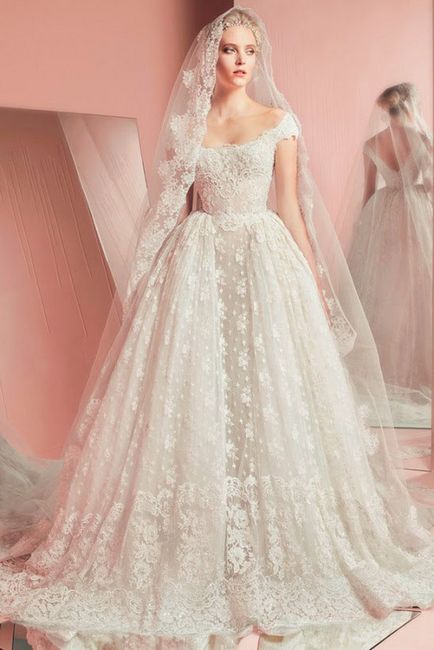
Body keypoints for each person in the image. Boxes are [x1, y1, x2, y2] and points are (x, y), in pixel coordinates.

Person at [0, 6, 433, 650]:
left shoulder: (280, 123)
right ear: (211, 55)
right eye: (230, 49)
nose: (240, 61)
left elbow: (291, 211)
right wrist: (145, 282)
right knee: (198, 392)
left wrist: (316, 289)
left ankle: (272, 526)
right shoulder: (187, 126)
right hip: (196, 263)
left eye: (250, 51)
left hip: (265, 261)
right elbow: (169, 210)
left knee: (268, 389)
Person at [340, 83, 432, 428]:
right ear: (411, 106)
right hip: (417, 213)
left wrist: (364, 228)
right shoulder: (422, 140)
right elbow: (431, 185)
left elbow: (368, 192)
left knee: (385, 290)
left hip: (383, 214)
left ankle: (384, 370)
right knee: (418, 290)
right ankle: (416, 372)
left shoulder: (372, 143)